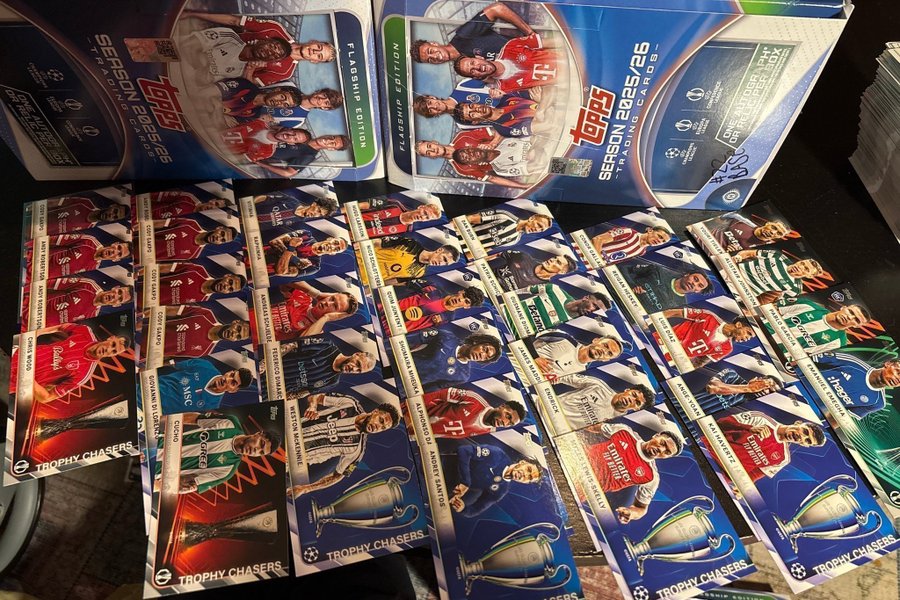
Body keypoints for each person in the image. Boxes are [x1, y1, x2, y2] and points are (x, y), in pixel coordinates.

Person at [287, 394, 400, 496]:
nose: (378, 427)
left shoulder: (357, 450)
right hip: (287, 431)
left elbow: (337, 476)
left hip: (288, 459)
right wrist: (313, 406)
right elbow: (315, 397)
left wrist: (305, 489)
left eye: (383, 428)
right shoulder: (350, 403)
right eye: (381, 420)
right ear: (375, 411)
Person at [183, 11, 335, 84]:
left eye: (319, 55)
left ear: (315, 61)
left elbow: (247, 84)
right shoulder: (276, 29)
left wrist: (250, 69)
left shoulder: (285, 72)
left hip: (216, 69)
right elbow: (234, 21)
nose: (314, 51)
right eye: (319, 47)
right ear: (314, 41)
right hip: (214, 44)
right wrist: (192, 14)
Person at [159, 411, 279, 494]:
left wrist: (158, 485)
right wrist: (159, 420)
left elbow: (187, 484)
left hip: (157, 471)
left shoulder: (228, 470)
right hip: (158, 443)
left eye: (261, 452)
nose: (256, 450)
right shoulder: (230, 422)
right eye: (261, 444)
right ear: (258, 433)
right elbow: (195, 418)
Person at [585, 422, 683, 523]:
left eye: (667, 452)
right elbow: (592, 426)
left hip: (583, 489)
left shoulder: (651, 477)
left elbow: (641, 508)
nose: (661, 449)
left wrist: (631, 513)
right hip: (576, 460)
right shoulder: (624, 431)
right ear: (656, 435)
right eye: (662, 443)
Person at [10, 323, 130, 404]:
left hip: (13, 380)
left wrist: (27, 375)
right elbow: (61, 326)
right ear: (110, 338)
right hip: (16, 352)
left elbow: (47, 397)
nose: (109, 350)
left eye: (114, 351)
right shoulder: (85, 331)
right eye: (113, 345)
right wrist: (35, 334)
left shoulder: (83, 375)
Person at [715, 411, 826, 481]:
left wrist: (740, 490)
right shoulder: (761, 418)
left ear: (805, 445)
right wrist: (749, 428)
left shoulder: (783, 459)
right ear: (798, 423)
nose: (801, 437)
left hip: (721, 476)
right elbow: (720, 423)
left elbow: (753, 476)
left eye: (807, 440)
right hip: (711, 453)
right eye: (805, 431)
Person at [410, 2, 534, 64]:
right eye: (430, 60)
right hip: (530, 65)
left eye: (430, 51)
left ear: (434, 44)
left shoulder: (463, 36)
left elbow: (497, 8)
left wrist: (530, 33)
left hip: (533, 50)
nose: (434, 57)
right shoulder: (465, 67)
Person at [220, 120, 349, 177]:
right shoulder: (303, 134)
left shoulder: (308, 155)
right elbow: (277, 129)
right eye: (332, 137)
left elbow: (288, 173)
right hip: (252, 135)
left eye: (332, 144)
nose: (328, 140)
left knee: (223, 150)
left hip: (252, 149)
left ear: (331, 149)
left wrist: (261, 164)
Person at [448, 444, 543, 517]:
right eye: (528, 469)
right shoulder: (498, 455)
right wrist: (465, 482)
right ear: (522, 462)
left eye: (529, 478)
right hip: (443, 466)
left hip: (447, 491)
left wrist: (463, 509)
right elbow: (464, 450)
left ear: (525, 483)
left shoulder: (501, 490)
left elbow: (474, 510)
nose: (525, 475)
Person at [453, 32, 559, 93]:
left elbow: (555, 42)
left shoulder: (511, 46)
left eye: (473, 63)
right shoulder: (506, 90)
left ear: (478, 57)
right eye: (472, 71)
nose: (477, 67)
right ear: (476, 77)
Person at [276, 337, 377, 399]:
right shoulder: (326, 345)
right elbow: (292, 345)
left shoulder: (333, 382)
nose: (354, 369)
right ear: (356, 354)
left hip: (274, 390)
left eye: (358, 371)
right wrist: (269, 363)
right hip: (271, 368)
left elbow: (300, 394)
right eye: (358, 364)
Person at [809, 350, 900, 419]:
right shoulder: (853, 363)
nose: (898, 379)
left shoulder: (878, 403)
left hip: (809, 412)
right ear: (888, 364)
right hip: (801, 386)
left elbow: (839, 419)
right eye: (898, 372)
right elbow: (808, 357)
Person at [654, 308, 755, 368]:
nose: (747, 338)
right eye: (748, 333)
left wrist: (682, 366)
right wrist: (648, 321)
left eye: (750, 338)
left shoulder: (727, 348)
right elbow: (674, 312)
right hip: (658, 341)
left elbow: (700, 362)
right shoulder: (709, 316)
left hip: (666, 360)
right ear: (738, 324)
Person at [406, 329, 503, 391]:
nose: (482, 355)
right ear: (477, 342)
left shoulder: (463, 375)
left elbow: (432, 388)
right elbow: (410, 339)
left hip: (404, 387)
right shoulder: (447, 337)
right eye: (484, 349)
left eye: (486, 357)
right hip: (400, 365)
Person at [553, 373, 655, 429]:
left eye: (637, 402)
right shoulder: (598, 385)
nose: (631, 399)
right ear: (627, 390)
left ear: (637, 409)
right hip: (547, 410)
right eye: (633, 394)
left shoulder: (617, 423)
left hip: (556, 431)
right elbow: (564, 377)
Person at [216, 79, 342, 123]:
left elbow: (269, 131)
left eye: (326, 102)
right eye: (323, 95)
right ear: (319, 91)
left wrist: (263, 122)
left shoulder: (298, 120)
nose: (320, 99)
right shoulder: (289, 86)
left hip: (241, 117)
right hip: (235, 96)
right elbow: (255, 85)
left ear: (324, 108)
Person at [157, 358, 255, 414]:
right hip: (152, 388)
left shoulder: (212, 406)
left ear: (233, 390)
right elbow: (172, 363)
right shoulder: (204, 365)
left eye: (233, 383)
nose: (227, 379)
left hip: (155, 411)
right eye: (232, 374)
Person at [773, 299, 872, 355]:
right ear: (843, 307)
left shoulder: (839, 344)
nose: (850, 317)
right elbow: (772, 309)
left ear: (857, 326)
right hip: (763, 331)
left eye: (856, 320)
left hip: (775, 354)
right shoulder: (809, 305)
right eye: (850, 312)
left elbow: (808, 360)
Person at [269, 281, 359, 339]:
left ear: (337, 316)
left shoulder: (317, 332)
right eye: (332, 298)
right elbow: (287, 280)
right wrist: (317, 294)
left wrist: (326, 317)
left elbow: (301, 342)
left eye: (335, 306)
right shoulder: (304, 298)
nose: (328, 303)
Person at [24, 277, 131, 327]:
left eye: (119, 299)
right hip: (27, 305)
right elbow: (49, 284)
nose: (115, 296)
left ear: (116, 305)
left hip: (29, 325)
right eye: (119, 292)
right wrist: (24, 293)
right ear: (115, 287)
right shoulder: (88, 285)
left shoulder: (93, 315)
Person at [730, 249, 824, 304]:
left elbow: (774, 301)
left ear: (809, 276)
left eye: (806, 269)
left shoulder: (795, 289)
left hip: (739, 291)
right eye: (802, 263)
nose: (800, 267)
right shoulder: (778, 256)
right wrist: (738, 257)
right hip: (731, 271)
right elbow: (749, 253)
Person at [422, 387, 525, 438]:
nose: (505, 422)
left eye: (510, 423)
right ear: (502, 406)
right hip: (417, 415)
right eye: (508, 416)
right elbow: (439, 394)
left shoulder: (488, 432)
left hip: (419, 436)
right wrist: (415, 407)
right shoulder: (474, 400)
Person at [389, 281, 485, 332]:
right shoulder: (434, 288)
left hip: (391, 329)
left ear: (467, 307)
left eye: (466, 301)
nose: (461, 299)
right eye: (463, 295)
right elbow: (405, 283)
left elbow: (426, 335)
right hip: (387, 307)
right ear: (461, 291)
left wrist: (436, 326)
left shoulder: (448, 319)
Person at [158, 305, 251, 358]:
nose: (234, 333)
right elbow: (169, 310)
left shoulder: (204, 352)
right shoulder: (205, 314)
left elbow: (169, 359)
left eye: (238, 337)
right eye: (238, 329)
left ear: (234, 340)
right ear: (235, 322)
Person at [513, 285, 611, 333]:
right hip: (506, 314)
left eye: (597, 312)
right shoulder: (554, 289)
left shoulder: (569, 329)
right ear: (586, 298)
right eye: (595, 306)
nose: (593, 312)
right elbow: (518, 290)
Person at [530, 331, 627, 379]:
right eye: (605, 345)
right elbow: (527, 336)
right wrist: (534, 356)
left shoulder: (581, 374)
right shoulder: (564, 338)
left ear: (606, 360)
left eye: (609, 353)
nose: (604, 351)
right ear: (596, 340)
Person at [32, 233, 131, 280]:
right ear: (115, 243)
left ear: (116, 260)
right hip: (33, 259)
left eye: (119, 254)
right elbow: (52, 240)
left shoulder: (93, 268)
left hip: (36, 276)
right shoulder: (89, 240)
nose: (114, 251)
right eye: (118, 247)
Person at [623, 263, 715, 312]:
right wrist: (631, 285)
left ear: (698, 291)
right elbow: (624, 268)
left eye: (699, 285)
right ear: (687, 274)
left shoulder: (679, 307)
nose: (694, 283)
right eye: (695, 279)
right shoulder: (658, 270)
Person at [370, 235, 460, 283]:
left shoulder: (419, 273)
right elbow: (376, 242)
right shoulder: (410, 243)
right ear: (439, 250)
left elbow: (389, 282)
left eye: (445, 264)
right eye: (444, 259)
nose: (441, 263)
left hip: (366, 280)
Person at [412, 80, 516, 120]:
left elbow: (495, 77)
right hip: (515, 119)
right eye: (430, 110)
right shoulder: (462, 123)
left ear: (432, 97)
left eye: (430, 103)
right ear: (434, 115)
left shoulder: (462, 87)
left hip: (517, 98)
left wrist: (497, 90)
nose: (435, 106)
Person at [694, 368, 782, 413]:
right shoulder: (731, 375)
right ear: (758, 379)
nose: (764, 390)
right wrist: (748, 388)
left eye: (770, 391)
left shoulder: (752, 410)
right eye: (765, 385)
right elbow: (712, 387)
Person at [155, 263, 246, 305]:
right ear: (227, 275)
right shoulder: (197, 270)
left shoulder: (201, 302)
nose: (227, 286)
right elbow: (162, 268)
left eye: (230, 289)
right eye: (230, 282)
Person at [487, 249, 578, 291]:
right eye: (554, 258)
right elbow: (498, 253)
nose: (552, 260)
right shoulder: (524, 257)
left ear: (562, 272)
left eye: (558, 262)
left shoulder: (542, 287)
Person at [464, 208, 552, 252]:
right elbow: (471, 218)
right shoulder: (505, 215)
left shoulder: (515, 240)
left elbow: (484, 250)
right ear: (532, 218)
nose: (537, 229)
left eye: (541, 230)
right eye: (539, 225)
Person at [152, 217, 238, 261]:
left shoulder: (193, 255)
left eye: (222, 240)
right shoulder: (190, 224)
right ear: (219, 228)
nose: (218, 238)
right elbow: (158, 223)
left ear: (219, 244)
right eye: (222, 233)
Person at [453, 95, 538, 138]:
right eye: (472, 114)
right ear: (475, 121)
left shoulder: (507, 98)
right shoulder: (504, 128)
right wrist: (542, 101)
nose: (476, 109)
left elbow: (541, 90)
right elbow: (540, 126)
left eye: (471, 106)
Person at [354, 198, 443, 237]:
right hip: (351, 219)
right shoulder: (395, 204)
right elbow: (367, 205)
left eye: (426, 217)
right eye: (425, 212)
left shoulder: (407, 231)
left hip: (354, 236)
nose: (422, 216)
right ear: (421, 207)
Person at [706, 214, 792, 252]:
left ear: (780, 237)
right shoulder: (739, 219)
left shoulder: (764, 249)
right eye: (773, 227)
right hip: (702, 240)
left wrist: (733, 254)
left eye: (779, 233)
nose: (773, 232)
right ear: (768, 223)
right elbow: (713, 219)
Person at [590, 226, 672, 265]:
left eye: (663, 241)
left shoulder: (641, 252)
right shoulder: (629, 232)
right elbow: (598, 239)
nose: (659, 241)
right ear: (650, 230)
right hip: (585, 256)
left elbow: (613, 261)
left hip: (591, 267)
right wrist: (597, 262)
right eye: (660, 236)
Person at [44, 197, 129, 235]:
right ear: (113, 206)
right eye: (115, 211)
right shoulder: (85, 203)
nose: (111, 215)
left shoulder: (88, 230)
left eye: (115, 217)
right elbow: (51, 203)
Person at [254, 192, 339, 227]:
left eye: (320, 215)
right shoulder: (291, 200)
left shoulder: (298, 223)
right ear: (314, 204)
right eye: (318, 210)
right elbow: (264, 198)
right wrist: (250, 207)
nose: (316, 214)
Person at [146, 192, 230, 220]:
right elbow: (155, 196)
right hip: (142, 211)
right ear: (212, 200)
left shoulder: (193, 223)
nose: (213, 207)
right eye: (216, 204)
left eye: (217, 209)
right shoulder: (187, 198)